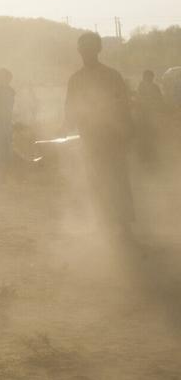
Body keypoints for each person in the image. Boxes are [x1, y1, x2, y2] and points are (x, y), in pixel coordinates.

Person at [65, 32, 134, 232]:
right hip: (90, 138)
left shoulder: (112, 76)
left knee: (117, 177)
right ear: (79, 51)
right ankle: (104, 220)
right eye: (82, 49)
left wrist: (127, 129)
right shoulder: (76, 79)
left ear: (98, 50)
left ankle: (122, 220)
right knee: (96, 179)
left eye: (89, 48)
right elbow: (70, 106)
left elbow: (123, 104)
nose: (85, 53)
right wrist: (65, 127)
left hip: (112, 137)